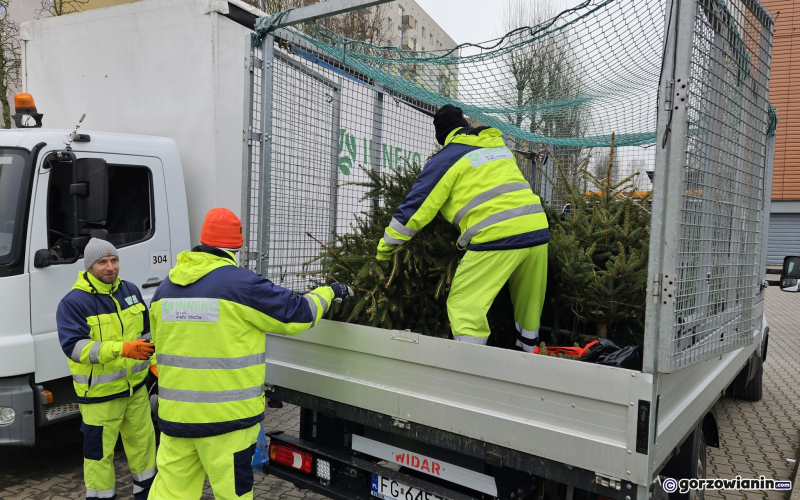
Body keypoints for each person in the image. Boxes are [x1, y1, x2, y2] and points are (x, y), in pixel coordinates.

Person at [147, 207, 353, 500]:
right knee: (233, 495)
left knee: (169, 495)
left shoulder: (165, 290)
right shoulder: (242, 286)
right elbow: (298, 314)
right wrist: (331, 292)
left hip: (176, 420)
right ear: (237, 247)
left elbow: (161, 347)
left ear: (202, 241)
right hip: (226, 424)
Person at [376, 104, 549, 351]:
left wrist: (387, 247)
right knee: (529, 306)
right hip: (538, 230)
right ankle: (529, 357)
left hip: (497, 236)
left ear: (442, 135)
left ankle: (471, 369)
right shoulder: (499, 148)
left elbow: (416, 207)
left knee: (464, 305)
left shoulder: (448, 157)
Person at [56, 238, 157, 500]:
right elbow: (75, 348)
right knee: (99, 457)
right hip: (99, 398)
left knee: (144, 449)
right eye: (102, 262)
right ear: (90, 266)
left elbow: (147, 335)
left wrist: (155, 365)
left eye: (114, 261)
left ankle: (147, 495)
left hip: (135, 391)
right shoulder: (74, 302)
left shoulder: (131, 290)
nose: (110, 267)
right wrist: (121, 349)